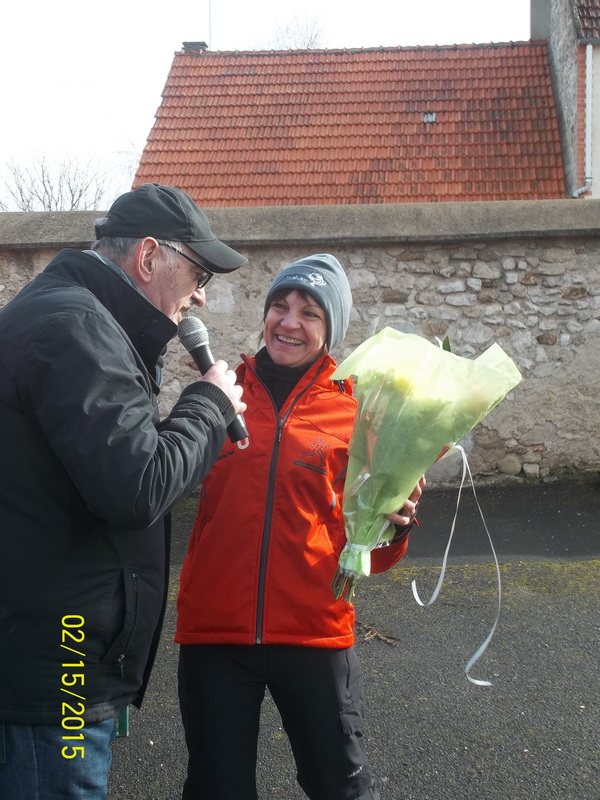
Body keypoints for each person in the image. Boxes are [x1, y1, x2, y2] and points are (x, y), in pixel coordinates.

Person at [0, 183, 248, 799]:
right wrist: (209, 405)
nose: (200, 295)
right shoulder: (76, 329)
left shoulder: (78, 316)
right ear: (147, 257)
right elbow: (137, 488)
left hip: (51, 642)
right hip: (59, 669)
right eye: (197, 271)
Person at [176, 254, 425, 800]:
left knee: (338, 785)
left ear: (330, 328)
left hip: (315, 629)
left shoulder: (359, 409)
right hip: (215, 631)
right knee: (217, 788)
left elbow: (374, 552)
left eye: (310, 313)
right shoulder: (218, 393)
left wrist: (395, 522)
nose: (289, 322)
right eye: (279, 306)